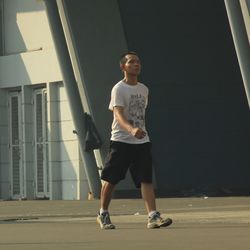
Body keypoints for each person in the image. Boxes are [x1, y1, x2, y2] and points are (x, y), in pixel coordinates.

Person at [97, 51, 173, 229]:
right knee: (112, 179)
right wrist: (131, 129)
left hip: (142, 141)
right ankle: (103, 213)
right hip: (121, 140)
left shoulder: (144, 89)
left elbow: (140, 114)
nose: (136, 64)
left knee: (145, 179)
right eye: (131, 62)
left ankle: (153, 216)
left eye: (138, 62)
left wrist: (139, 131)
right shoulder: (119, 89)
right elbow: (118, 113)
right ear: (123, 67)